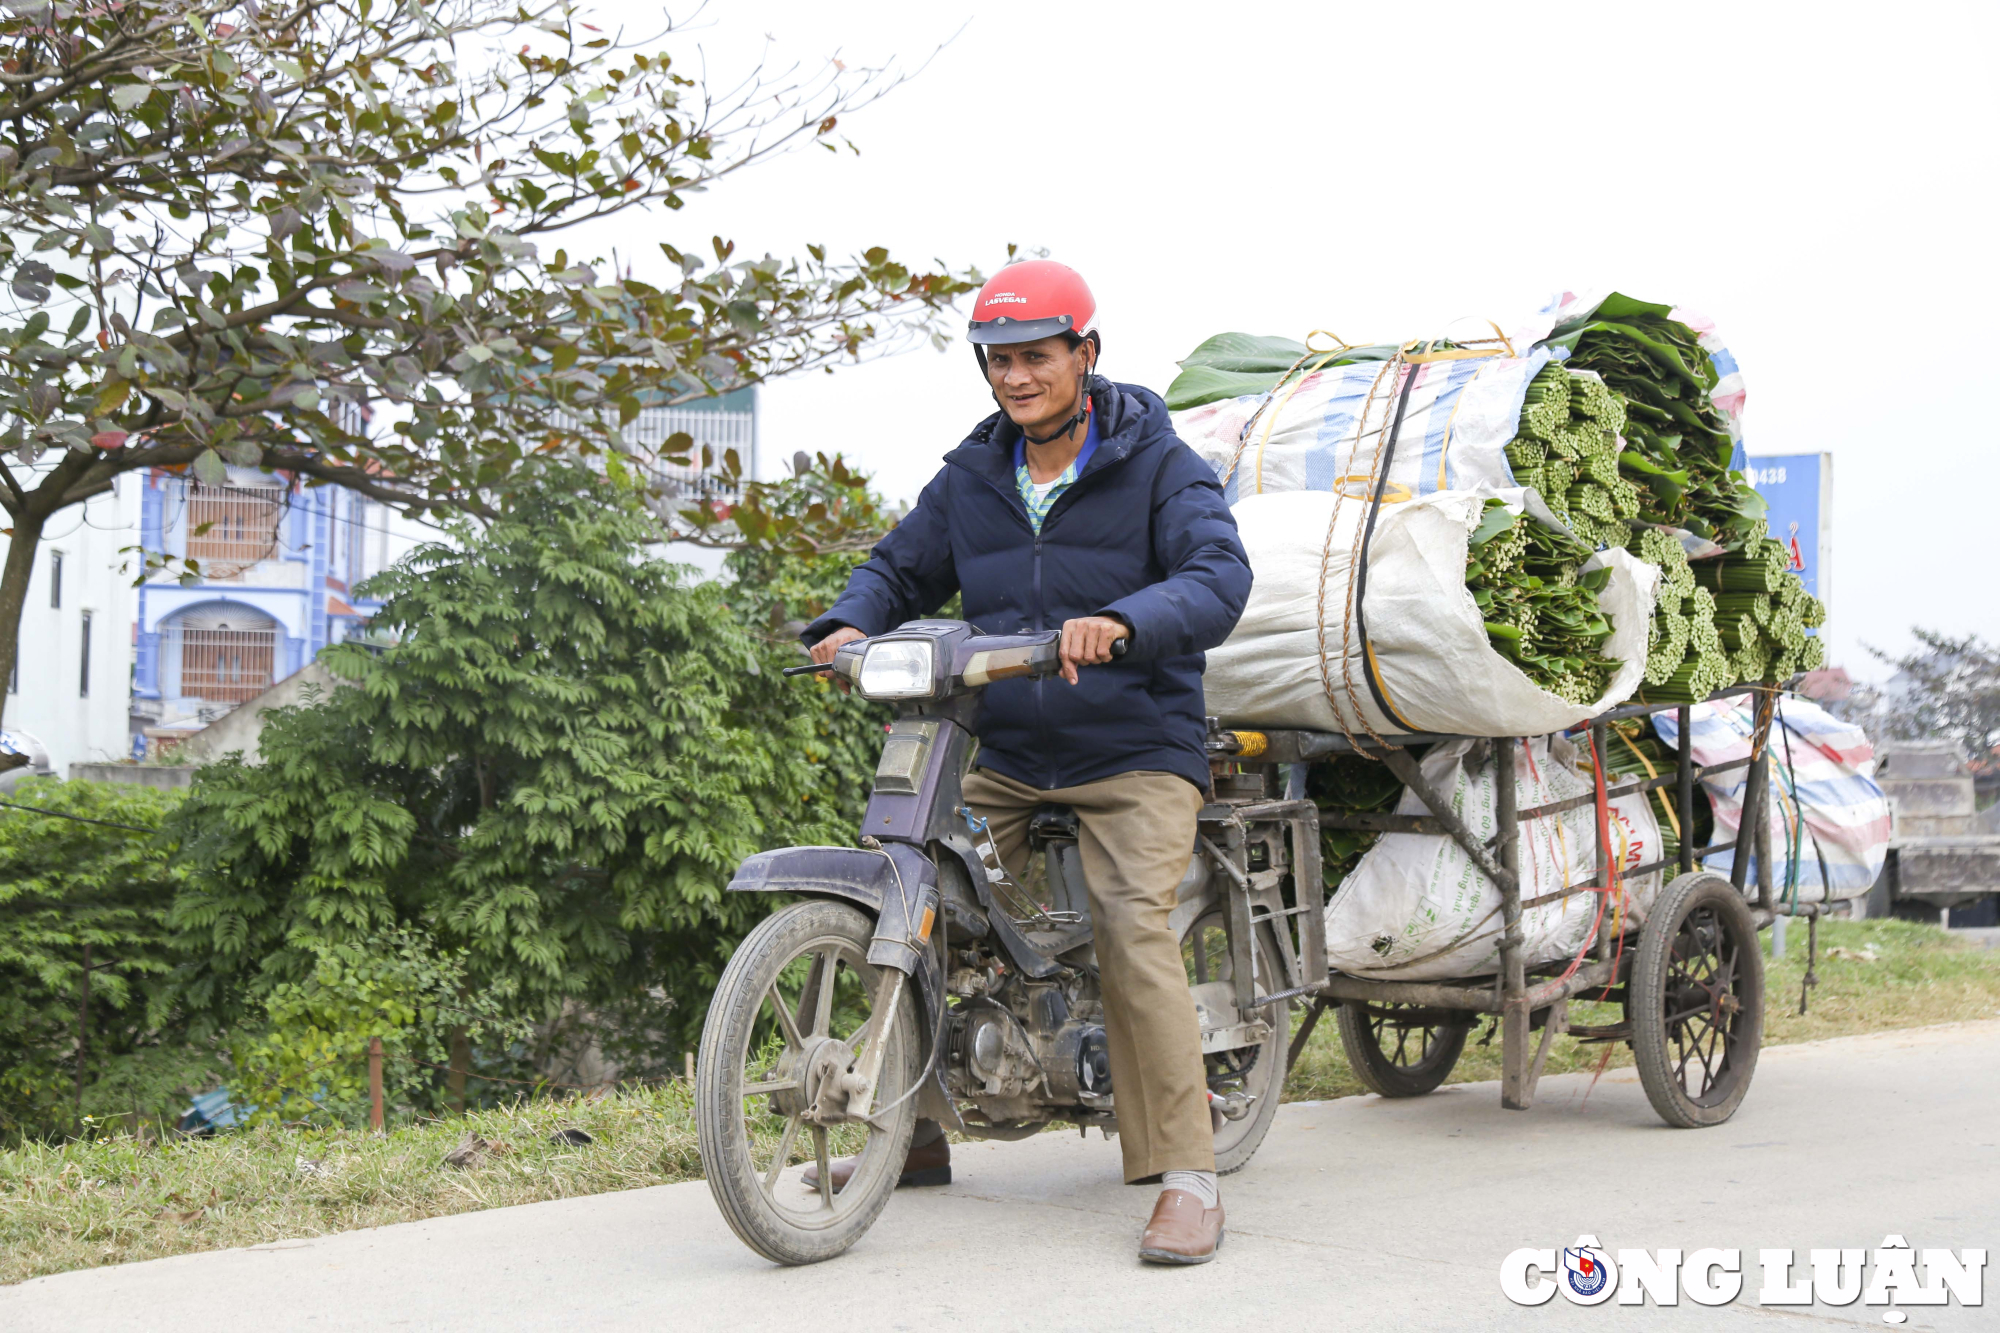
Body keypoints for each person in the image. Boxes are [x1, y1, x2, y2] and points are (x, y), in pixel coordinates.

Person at [799, 260, 1252, 1265]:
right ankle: (908, 1134)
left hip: (1134, 745)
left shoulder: (1158, 466)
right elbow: (897, 563)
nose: (1014, 378)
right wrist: (844, 623)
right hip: (1001, 744)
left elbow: (1216, 577)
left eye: (1034, 358)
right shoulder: (971, 475)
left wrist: (1124, 624)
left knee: (1130, 924)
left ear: (1084, 355)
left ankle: (1185, 1174)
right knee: (910, 897)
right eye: (997, 361)